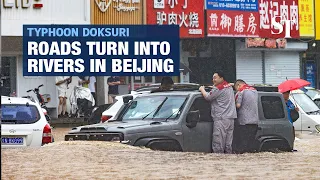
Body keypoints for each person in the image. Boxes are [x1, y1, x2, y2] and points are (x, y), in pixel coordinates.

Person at [199, 71, 237, 154]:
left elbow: (208, 97)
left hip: (221, 119)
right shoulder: (228, 86)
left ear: (221, 78)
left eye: (215, 77)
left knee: (218, 144)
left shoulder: (218, 89)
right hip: (231, 118)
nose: (213, 79)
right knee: (228, 144)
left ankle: (218, 162)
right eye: (213, 78)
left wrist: (202, 90)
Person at [233, 79, 259, 153]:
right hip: (255, 122)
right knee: (250, 146)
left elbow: (238, 105)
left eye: (235, 88)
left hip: (244, 122)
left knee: (242, 146)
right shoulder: (254, 91)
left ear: (238, 85)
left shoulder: (241, 91)